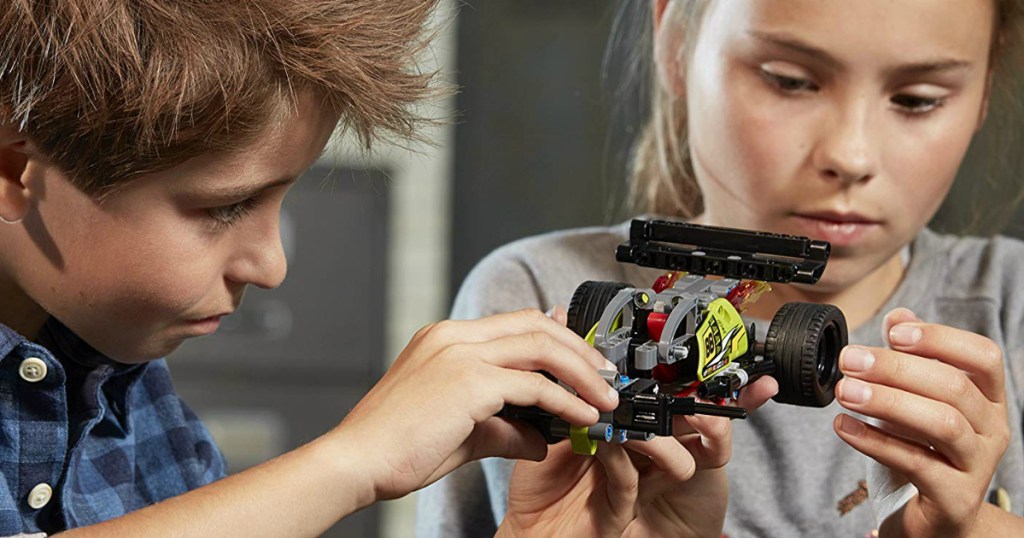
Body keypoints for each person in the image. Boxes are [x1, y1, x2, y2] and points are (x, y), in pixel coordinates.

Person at [0, 1, 747, 536]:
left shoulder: (138, 410)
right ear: (12, 170)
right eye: (223, 208)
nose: (272, 264)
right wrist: (349, 464)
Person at [417, 0, 1024, 536]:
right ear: (675, 46)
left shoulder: (1010, 304)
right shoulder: (536, 301)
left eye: (917, 100)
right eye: (790, 81)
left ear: (985, 90)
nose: (851, 155)